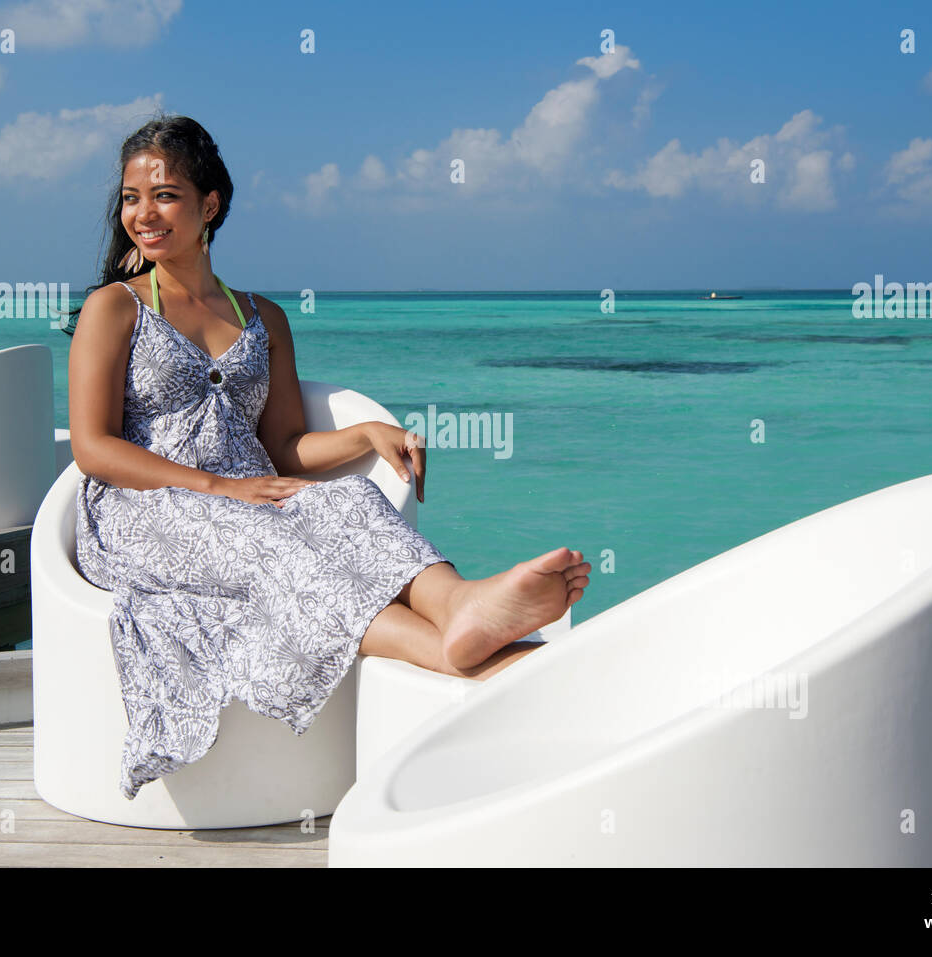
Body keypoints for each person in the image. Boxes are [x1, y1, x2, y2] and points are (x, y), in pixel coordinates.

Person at [63, 113, 591, 798]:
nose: (143, 213)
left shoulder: (263, 316)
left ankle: (460, 602)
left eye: (164, 194)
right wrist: (218, 488)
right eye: (132, 197)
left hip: (250, 498)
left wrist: (367, 434)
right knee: (272, 543)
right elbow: (93, 447)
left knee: (352, 497)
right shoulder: (115, 308)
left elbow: (285, 445)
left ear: (209, 204)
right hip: (143, 510)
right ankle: (447, 649)